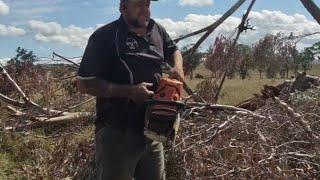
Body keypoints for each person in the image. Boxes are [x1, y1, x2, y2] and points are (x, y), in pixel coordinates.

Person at [77, 0, 184, 179]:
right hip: (118, 131)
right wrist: (130, 91)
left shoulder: (156, 29)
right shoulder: (105, 36)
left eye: (147, 4)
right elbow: (84, 83)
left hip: (153, 129)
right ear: (123, 7)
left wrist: (178, 67)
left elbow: (174, 50)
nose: (145, 10)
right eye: (138, 5)